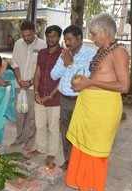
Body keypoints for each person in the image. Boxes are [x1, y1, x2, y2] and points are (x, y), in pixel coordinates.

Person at [65, 14, 130, 191]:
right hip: (89, 106)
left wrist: (91, 82)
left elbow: (124, 86)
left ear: (104, 31)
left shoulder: (118, 52)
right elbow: (99, 76)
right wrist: (82, 84)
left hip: (105, 109)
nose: (92, 38)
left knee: (97, 152)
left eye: (93, 34)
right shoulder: (102, 50)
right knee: (83, 146)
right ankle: (83, 183)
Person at [50, 25, 97, 169]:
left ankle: (79, 164)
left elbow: (87, 78)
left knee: (79, 133)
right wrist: (65, 64)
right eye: (65, 40)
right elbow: (53, 75)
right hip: (64, 99)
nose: (67, 43)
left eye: (70, 39)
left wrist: (70, 64)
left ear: (79, 38)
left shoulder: (91, 54)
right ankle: (68, 161)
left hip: (80, 99)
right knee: (65, 132)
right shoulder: (64, 53)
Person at [11, 20, 46, 154]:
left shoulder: (42, 45)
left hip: (33, 87)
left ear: (34, 32)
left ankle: (30, 142)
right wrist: (19, 79)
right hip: (19, 86)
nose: (26, 38)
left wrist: (31, 82)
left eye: (29, 36)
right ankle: (19, 138)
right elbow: (14, 63)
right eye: (24, 35)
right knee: (19, 115)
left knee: (31, 116)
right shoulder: (18, 44)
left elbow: (42, 67)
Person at [33, 25, 65, 162]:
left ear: (59, 37)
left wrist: (50, 95)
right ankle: (40, 148)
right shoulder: (42, 52)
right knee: (39, 125)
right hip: (39, 96)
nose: (50, 39)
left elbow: (64, 77)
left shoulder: (64, 54)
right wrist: (35, 92)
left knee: (53, 127)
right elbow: (38, 72)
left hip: (55, 98)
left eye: (54, 36)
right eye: (48, 36)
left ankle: (52, 152)